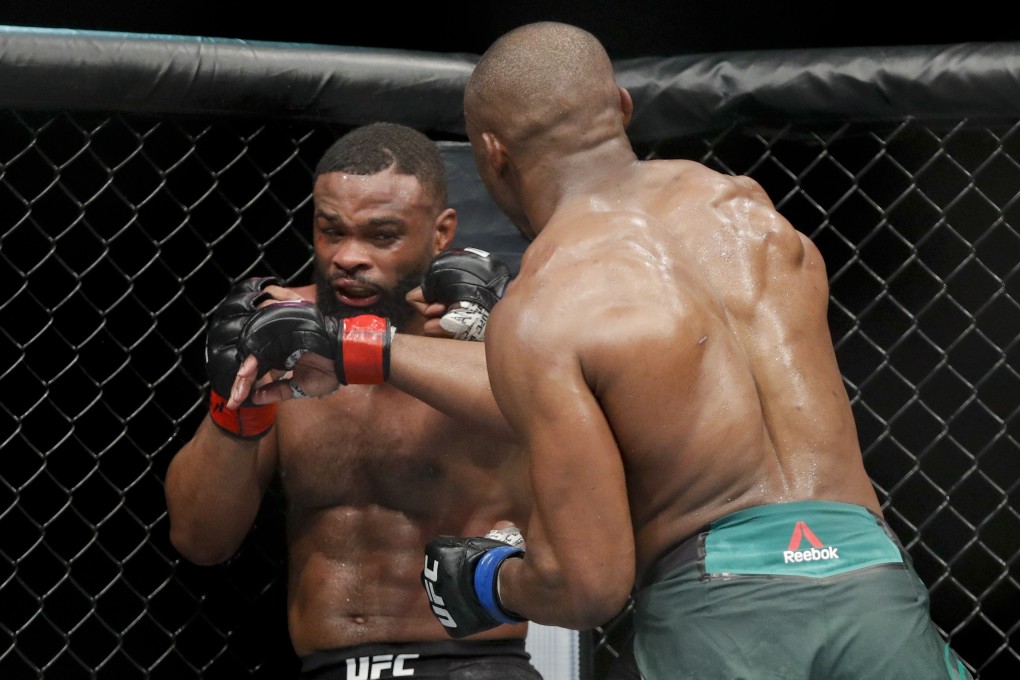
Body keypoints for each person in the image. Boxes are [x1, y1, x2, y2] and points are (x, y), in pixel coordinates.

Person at [416, 21, 976, 680]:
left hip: (722, 615)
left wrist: (489, 582)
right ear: (623, 106)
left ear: (493, 154)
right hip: (870, 581)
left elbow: (588, 584)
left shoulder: (544, 306)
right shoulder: (754, 218)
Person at [164, 122, 542, 679]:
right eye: (331, 231)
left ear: (442, 233)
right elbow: (201, 539)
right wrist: (234, 406)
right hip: (326, 666)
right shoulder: (281, 336)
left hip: (473, 664)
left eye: (381, 235)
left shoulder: (494, 340)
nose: (348, 256)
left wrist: (377, 347)